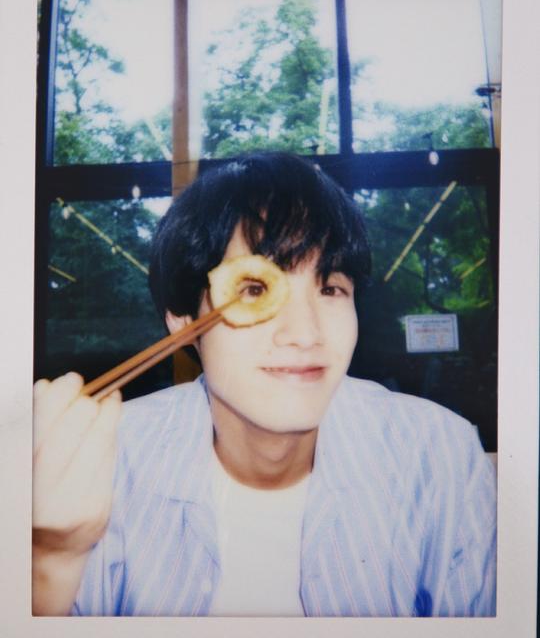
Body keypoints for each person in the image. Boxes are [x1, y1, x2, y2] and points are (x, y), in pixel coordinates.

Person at [32, 152, 496, 617]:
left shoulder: (438, 455)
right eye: (254, 289)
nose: (305, 334)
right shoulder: (106, 462)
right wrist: (51, 558)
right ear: (184, 321)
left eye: (330, 288)